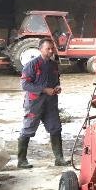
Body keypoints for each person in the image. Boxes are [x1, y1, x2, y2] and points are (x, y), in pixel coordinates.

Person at [17, 37, 69, 168]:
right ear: (41, 50)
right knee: (28, 130)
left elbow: (56, 80)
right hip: (34, 104)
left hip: (51, 103)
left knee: (56, 128)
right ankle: (21, 161)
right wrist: (44, 90)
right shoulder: (31, 65)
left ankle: (59, 159)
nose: (51, 51)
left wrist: (57, 87)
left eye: (52, 49)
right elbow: (24, 85)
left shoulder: (53, 65)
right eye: (48, 49)